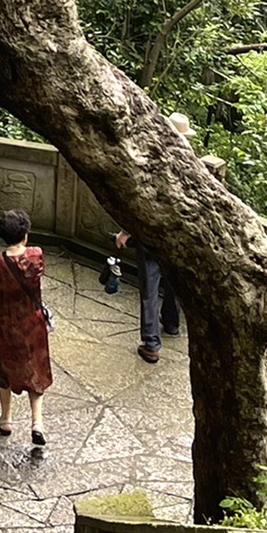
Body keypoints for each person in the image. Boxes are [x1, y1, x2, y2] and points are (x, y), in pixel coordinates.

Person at [114, 110, 193, 363]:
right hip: (179, 233)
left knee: (150, 287)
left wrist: (126, 231)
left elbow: (142, 198)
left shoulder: (155, 157)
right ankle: (171, 323)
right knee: (173, 281)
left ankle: (151, 343)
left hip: (153, 233)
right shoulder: (191, 161)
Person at [0, 207, 52, 446]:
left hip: (6, 325)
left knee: (5, 369)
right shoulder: (36, 255)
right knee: (36, 369)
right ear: (25, 235)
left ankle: (6, 419)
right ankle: (37, 422)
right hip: (33, 323)